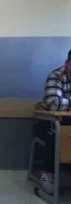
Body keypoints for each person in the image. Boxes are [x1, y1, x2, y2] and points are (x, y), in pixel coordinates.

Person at [35, 48, 71, 193]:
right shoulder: (56, 75)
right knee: (57, 132)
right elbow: (54, 103)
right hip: (51, 122)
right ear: (67, 63)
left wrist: (67, 102)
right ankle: (49, 174)